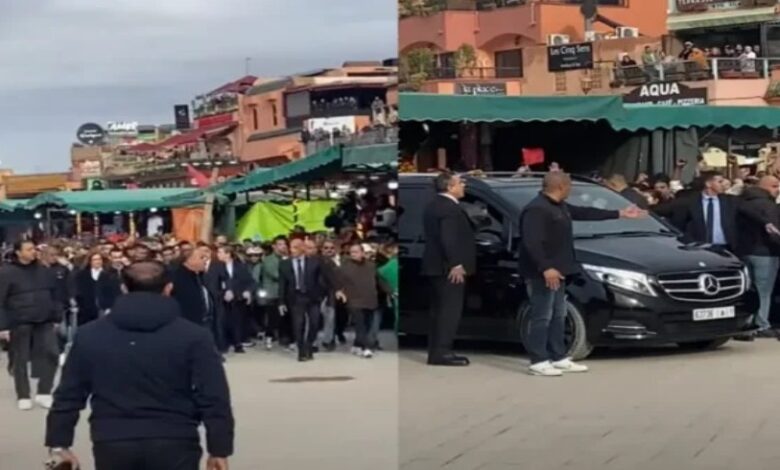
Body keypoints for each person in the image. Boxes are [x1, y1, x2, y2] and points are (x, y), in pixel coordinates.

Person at [45, 261, 234, 470]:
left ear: (123, 288)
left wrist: (59, 443)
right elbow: (214, 396)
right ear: (169, 288)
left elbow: (69, 393)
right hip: (175, 437)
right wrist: (219, 449)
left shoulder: (90, 334)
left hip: (113, 438)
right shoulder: (194, 336)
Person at [518, 172, 646, 376]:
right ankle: (538, 360)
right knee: (542, 315)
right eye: (569, 186)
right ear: (560, 186)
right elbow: (531, 242)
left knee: (558, 314)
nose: (571, 189)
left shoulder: (560, 206)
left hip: (560, 270)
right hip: (542, 272)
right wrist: (546, 267)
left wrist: (620, 213)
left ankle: (558, 356)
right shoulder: (537, 209)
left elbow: (584, 213)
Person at [421, 171, 476, 367]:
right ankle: (442, 352)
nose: (464, 185)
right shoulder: (449, 208)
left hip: (436, 266)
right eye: (460, 183)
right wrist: (456, 263)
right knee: (449, 311)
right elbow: (449, 237)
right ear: (450, 187)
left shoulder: (433, 205)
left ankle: (436, 351)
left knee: (439, 311)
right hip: (447, 269)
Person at [0, 240, 61, 410]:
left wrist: (56, 316)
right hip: (19, 321)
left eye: (34, 248)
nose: (33, 251)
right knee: (20, 358)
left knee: (52, 354)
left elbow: (55, 294)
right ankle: (23, 395)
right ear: (18, 252)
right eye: (28, 249)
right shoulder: (7, 272)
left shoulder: (44, 270)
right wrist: (3, 326)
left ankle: (44, 392)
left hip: (45, 319)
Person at [278, 239, 343, 362]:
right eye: (291, 247)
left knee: (314, 323)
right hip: (296, 298)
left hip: (313, 297)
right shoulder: (285, 264)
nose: (292, 250)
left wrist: (337, 290)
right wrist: (281, 302)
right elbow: (282, 284)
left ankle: (309, 346)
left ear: (302, 248)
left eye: (295, 247)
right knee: (298, 324)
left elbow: (328, 277)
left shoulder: (315, 262)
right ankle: (301, 351)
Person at [737, 176, 780, 338]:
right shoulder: (768, 205)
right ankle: (762, 324)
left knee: (749, 290)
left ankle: (746, 324)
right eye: (774, 186)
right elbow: (774, 231)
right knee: (764, 291)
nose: (778, 190)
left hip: (744, 251)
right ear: (764, 187)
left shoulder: (742, 202)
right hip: (766, 253)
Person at [338, 242, 390, 358]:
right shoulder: (345, 267)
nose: (353, 254)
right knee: (360, 323)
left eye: (356, 252)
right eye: (351, 252)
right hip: (353, 300)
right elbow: (338, 281)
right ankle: (366, 347)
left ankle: (357, 344)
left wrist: (390, 291)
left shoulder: (371, 266)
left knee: (367, 324)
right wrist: (339, 291)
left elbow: (380, 280)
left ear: (362, 253)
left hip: (370, 299)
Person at [216, 245, 254, 353]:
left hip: (238, 298)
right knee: (223, 321)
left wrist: (248, 291)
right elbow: (214, 283)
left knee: (237, 321)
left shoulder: (240, 266)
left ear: (228, 254)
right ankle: (224, 345)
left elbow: (250, 281)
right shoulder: (216, 267)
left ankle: (238, 343)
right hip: (222, 299)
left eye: (220, 252)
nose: (218, 255)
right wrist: (224, 292)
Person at [260, 236, 287, 349]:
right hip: (272, 293)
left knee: (285, 317)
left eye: (284, 244)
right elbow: (276, 275)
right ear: (274, 246)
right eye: (280, 244)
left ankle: (284, 338)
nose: (283, 246)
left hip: (284, 293)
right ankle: (269, 337)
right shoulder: (268, 260)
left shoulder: (287, 258)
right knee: (272, 317)